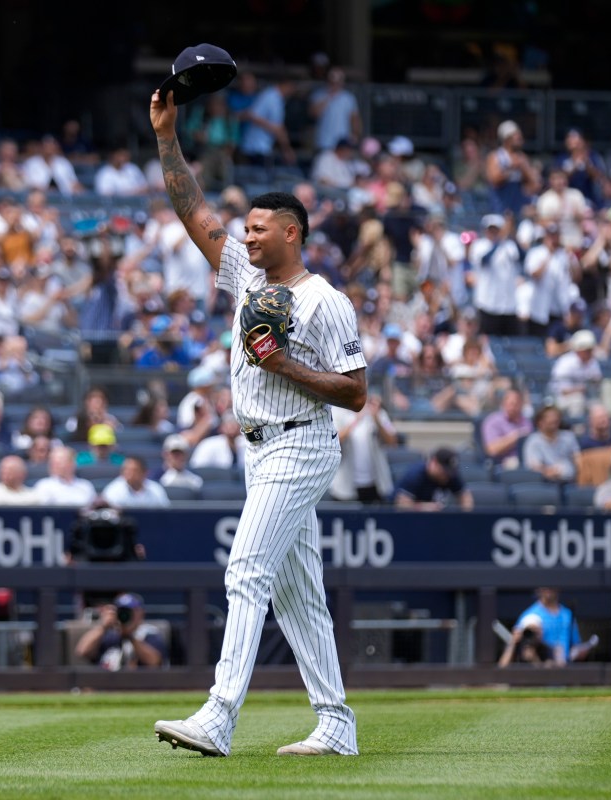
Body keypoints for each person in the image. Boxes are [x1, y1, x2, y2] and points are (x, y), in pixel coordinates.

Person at [150, 88, 366, 758]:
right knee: (300, 597)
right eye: (243, 228)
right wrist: (166, 135)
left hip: (301, 440)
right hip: (259, 448)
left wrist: (284, 367)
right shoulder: (245, 275)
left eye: (258, 228)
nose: (244, 235)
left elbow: (355, 395)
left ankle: (220, 715)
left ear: (292, 232)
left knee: (245, 571)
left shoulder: (325, 301)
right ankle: (336, 724)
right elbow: (192, 207)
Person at [329, 394, 398, 503]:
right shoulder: (337, 411)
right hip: (345, 485)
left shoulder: (378, 412)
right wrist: (355, 421)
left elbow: (392, 442)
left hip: (375, 484)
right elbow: (333, 442)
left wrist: (376, 418)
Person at [498, 587, 592, 667]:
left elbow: (575, 645)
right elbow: (502, 667)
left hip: (563, 669)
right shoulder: (529, 615)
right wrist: (514, 644)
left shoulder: (567, 615)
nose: (548, 590)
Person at [73, 592, 167, 671]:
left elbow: (154, 662)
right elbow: (82, 651)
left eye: (130, 611)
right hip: (106, 685)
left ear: (141, 613)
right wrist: (103, 626)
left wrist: (129, 636)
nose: (125, 615)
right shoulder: (109, 634)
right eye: (121, 611)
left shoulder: (149, 633)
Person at [393, 447, 473, 510]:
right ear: (434, 462)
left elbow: (465, 496)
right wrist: (422, 507)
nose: (446, 476)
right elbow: (402, 505)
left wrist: (465, 516)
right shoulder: (415, 474)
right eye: (443, 471)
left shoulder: (450, 474)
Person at [522, 405, 580, 482]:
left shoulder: (569, 437)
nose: (554, 419)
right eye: (549, 417)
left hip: (570, 480)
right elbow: (534, 466)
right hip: (544, 483)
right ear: (540, 422)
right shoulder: (533, 441)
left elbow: (578, 459)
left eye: (556, 417)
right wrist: (550, 472)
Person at [481, 389, 532, 467]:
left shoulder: (527, 422)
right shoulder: (493, 421)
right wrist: (516, 436)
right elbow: (492, 450)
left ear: (521, 404)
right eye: (510, 404)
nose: (512, 407)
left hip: (526, 460)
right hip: (502, 463)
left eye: (515, 404)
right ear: (503, 403)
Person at [100, 457, 170, 509]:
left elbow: (165, 512)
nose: (129, 474)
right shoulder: (113, 490)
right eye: (126, 470)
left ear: (144, 473)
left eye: (134, 470)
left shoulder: (156, 489)